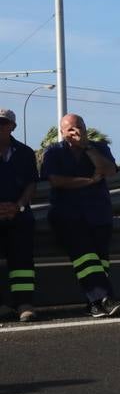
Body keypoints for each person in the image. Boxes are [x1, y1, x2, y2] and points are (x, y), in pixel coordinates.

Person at [40, 114, 120, 318]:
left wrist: (87, 147)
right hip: (68, 215)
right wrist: (89, 181)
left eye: (78, 127)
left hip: (98, 213)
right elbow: (57, 181)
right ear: (62, 132)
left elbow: (109, 170)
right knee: (85, 256)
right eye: (69, 129)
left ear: (85, 128)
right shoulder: (53, 152)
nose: (74, 132)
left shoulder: (99, 148)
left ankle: (95, 303)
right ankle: (105, 297)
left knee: (100, 260)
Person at [0, 107, 38, 323]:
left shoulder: (24, 152)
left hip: (19, 215)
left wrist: (19, 205)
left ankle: (24, 304)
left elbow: (32, 183)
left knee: (22, 261)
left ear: (12, 126)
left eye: (3, 123)